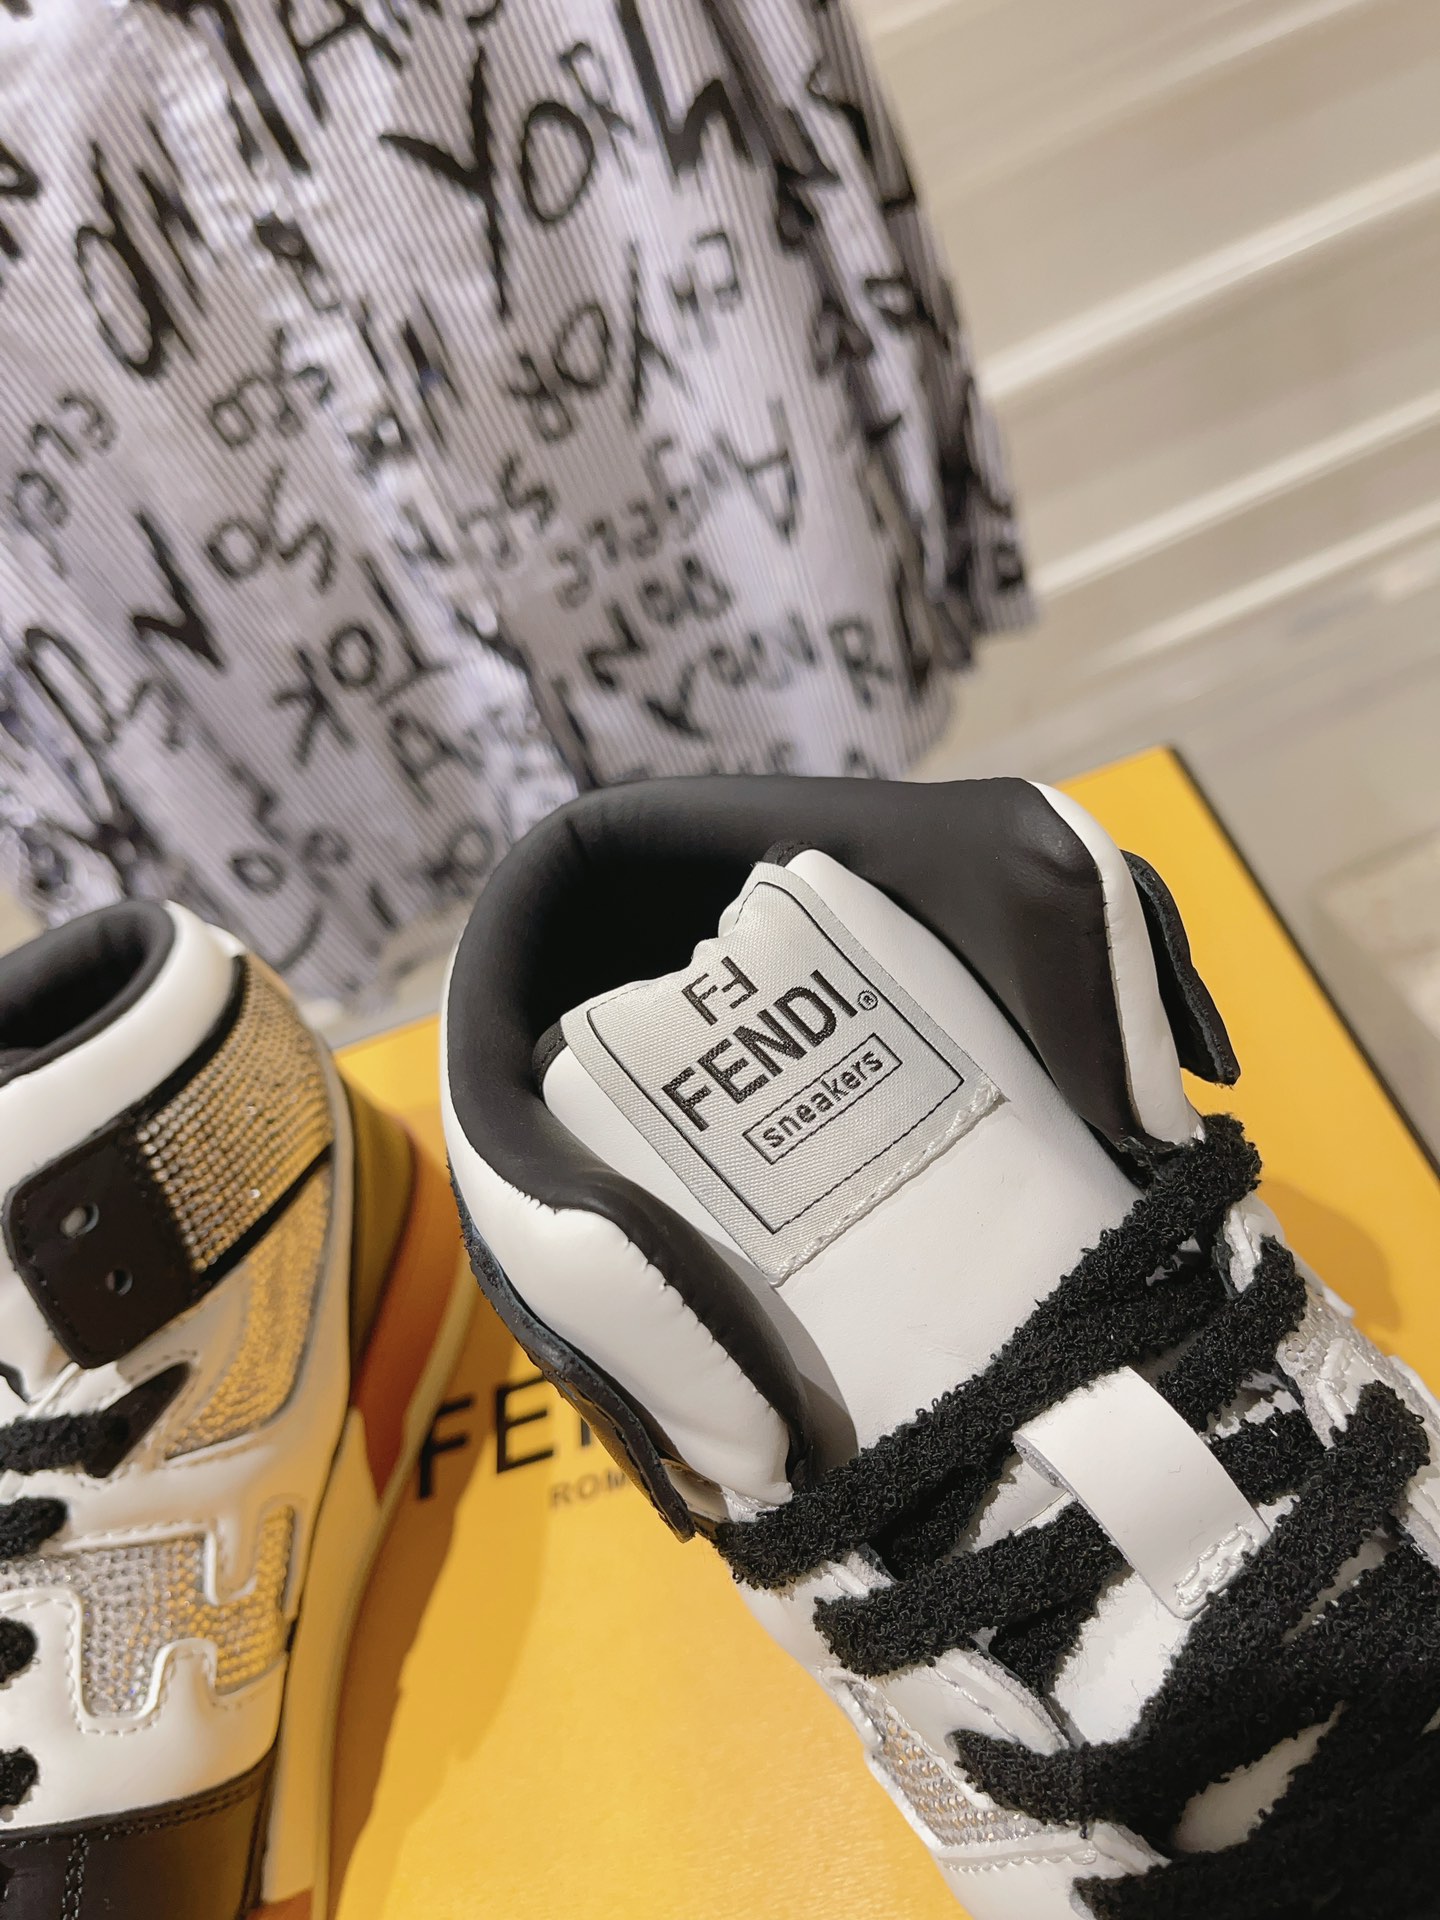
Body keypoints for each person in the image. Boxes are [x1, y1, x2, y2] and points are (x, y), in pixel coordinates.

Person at [0, 0, 1029, 1000]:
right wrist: (81, 867)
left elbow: (799, 95)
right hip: (327, 768)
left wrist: (937, 478)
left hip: (734, 580)